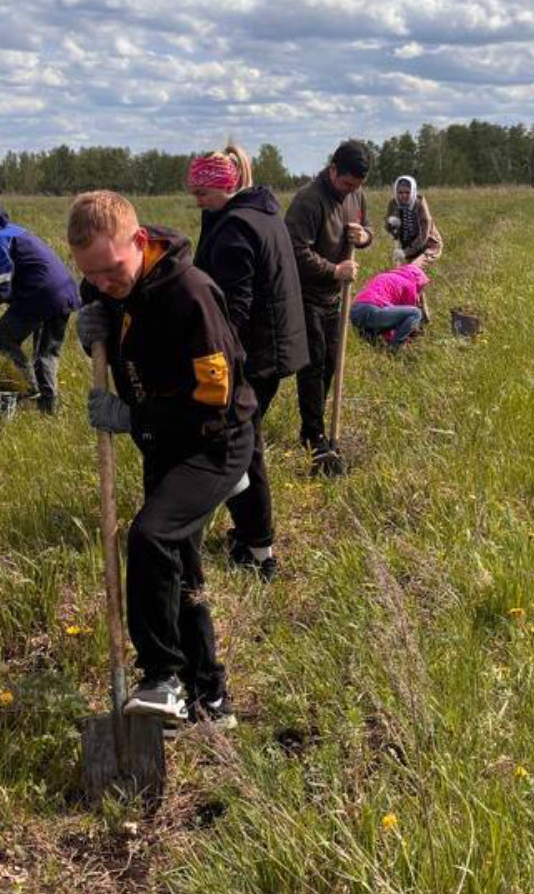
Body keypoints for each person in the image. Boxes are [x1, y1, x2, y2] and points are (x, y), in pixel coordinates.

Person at [68, 190, 256, 728]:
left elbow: (214, 397)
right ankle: (211, 698)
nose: (103, 283)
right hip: (164, 444)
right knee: (179, 567)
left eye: (111, 270)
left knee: (151, 537)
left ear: (140, 241)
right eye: (90, 274)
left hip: (214, 442)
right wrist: (93, 333)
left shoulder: (191, 294)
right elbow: (127, 340)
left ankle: (162, 677)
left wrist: (133, 416)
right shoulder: (111, 284)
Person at [188, 145, 306, 581]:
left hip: (251, 357)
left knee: (241, 451)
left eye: (202, 193)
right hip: (272, 350)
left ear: (227, 186)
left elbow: (233, 311)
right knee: (241, 446)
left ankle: (259, 551)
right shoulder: (261, 214)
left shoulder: (236, 229)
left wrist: (216, 360)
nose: (197, 201)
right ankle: (249, 534)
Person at [285, 140, 373, 473]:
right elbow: (294, 251)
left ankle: (315, 426)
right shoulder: (309, 200)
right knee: (312, 365)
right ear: (333, 169)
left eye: (357, 185)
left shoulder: (356, 194)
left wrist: (363, 237)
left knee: (330, 364)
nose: (351, 190)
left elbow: (368, 229)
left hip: (334, 298)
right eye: (347, 183)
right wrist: (335, 270)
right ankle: (313, 436)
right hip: (305, 295)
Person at [0, 206, 80, 414]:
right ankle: (47, 410)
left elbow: (0, 290)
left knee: (2, 336)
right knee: (45, 354)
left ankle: (28, 388)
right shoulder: (7, 230)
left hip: (41, 293)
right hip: (63, 291)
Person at [349, 263, 429, 346]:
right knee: (416, 313)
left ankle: (371, 339)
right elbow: (404, 317)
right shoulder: (410, 285)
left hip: (355, 312)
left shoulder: (384, 276)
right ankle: (396, 347)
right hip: (373, 311)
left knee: (375, 340)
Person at [383, 175, 442, 268]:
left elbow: (424, 235)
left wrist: (405, 252)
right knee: (407, 271)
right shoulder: (393, 204)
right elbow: (388, 227)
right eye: (400, 192)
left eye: (407, 192)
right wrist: (390, 223)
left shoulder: (420, 204)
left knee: (413, 268)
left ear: (413, 191)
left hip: (428, 246)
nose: (404, 196)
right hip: (408, 246)